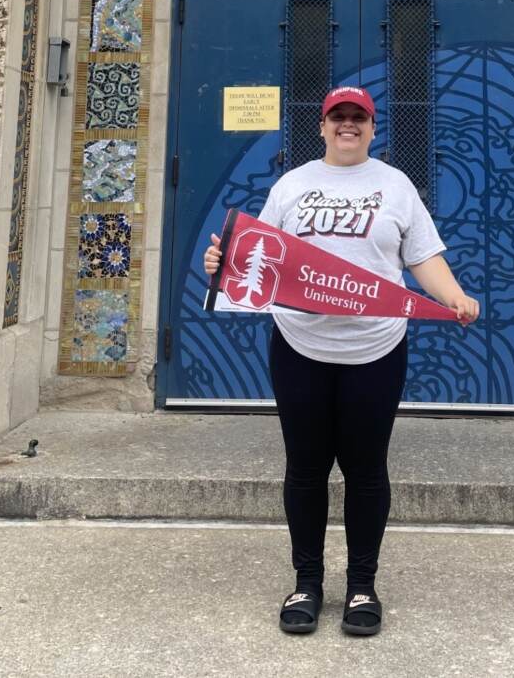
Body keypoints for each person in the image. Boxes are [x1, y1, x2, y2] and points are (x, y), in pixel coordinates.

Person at [203, 85, 480, 636]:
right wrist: (222, 261)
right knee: (305, 468)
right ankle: (306, 582)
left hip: (375, 349)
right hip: (300, 346)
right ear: (323, 126)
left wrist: (453, 296)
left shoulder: (395, 185)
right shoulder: (293, 184)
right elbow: (261, 255)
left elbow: (422, 255)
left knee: (366, 469)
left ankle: (361, 586)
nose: (348, 125)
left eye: (359, 118)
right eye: (338, 117)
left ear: (373, 129)